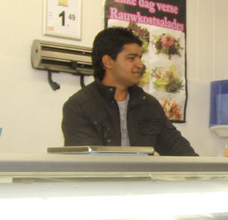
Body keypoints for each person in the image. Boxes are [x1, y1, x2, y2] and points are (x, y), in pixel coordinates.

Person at [61, 27, 197, 156]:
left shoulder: (148, 105)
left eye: (140, 58)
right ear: (108, 62)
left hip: (142, 174)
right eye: (131, 58)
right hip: (104, 174)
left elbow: (182, 153)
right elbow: (89, 164)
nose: (140, 65)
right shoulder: (79, 106)